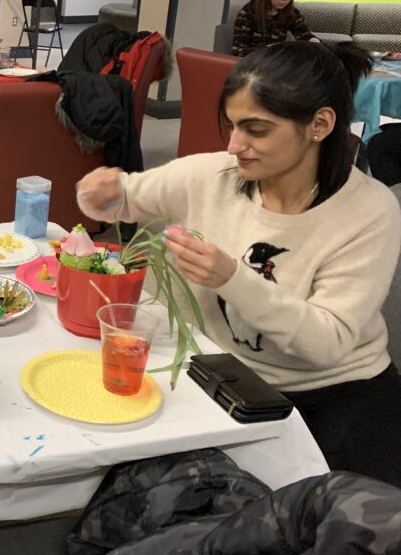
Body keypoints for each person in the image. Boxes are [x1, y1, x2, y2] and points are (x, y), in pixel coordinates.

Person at [76, 41, 401, 487]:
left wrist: (232, 278)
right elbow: (127, 197)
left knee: (360, 527)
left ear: (320, 124)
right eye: (231, 126)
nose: (234, 146)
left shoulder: (370, 211)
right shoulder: (212, 177)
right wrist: (101, 192)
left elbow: (329, 344)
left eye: (256, 130)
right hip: (226, 375)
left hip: (337, 389)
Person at [232, 0, 319, 57]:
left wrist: (312, 41)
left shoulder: (291, 12)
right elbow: (239, 52)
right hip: (253, 66)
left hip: (277, 64)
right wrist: (270, 50)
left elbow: (304, 35)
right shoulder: (247, 14)